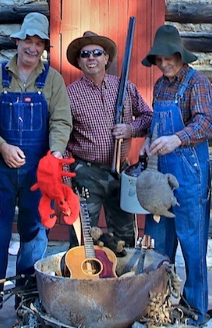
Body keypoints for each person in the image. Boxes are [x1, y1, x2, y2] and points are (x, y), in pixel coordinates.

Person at [0, 12, 72, 327]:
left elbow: (60, 120)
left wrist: (56, 151)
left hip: (37, 172)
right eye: (27, 40)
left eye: (38, 42)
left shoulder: (53, 80)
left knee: (33, 236)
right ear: (17, 41)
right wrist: (1, 146)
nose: (32, 47)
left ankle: (27, 302)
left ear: (43, 46)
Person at [140, 24, 212, 326]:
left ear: (180, 55)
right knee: (159, 246)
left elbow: (206, 122)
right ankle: (157, 308)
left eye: (169, 57)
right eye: (159, 59)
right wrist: (149, 139)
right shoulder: (160, 86)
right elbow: (156, 123)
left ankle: (195, 312)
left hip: (190, 176)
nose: (164, 63)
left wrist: (176, 139)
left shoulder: (197, 83)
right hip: (161, 178)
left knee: (192, 246)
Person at [65, 31, 152, 247]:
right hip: (86, 174)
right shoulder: (69, 95)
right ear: (79, 61)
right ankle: (82, 280)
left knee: (125, 239)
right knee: (82, 238)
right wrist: (67, 180)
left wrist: (130, 129)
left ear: (106, 59)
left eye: (97, 53)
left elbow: (149, 118)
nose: (91, 57)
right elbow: (61, 136)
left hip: (121, 173)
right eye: (85, 54)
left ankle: (123, 280)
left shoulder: (124, 87)